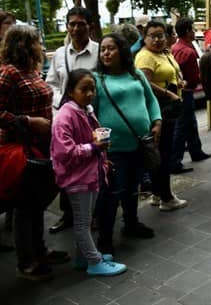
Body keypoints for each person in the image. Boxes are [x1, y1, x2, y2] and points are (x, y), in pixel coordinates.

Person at [0, 25, 68, 280]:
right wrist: (28, 121)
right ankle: (25, 262)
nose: (41, 45)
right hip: (20, 150)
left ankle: (40, 249)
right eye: (37, 41)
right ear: (24, 45)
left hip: (39, 146)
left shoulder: (31, 71)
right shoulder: (9, 73)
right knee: (24, 206)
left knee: (36, 203)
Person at [50, 69, 127, 276]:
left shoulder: (86, 109)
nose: (90, 93)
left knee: (85, 219)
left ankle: (83, 257)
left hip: (90, 174)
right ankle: (94, 262)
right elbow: (64, 152)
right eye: (84, 89)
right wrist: (93, 148)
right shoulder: (65, 116)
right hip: (78, 178)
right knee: (83, 223)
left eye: (92, 89)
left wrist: (101, 155)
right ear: (71, 90)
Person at [94, 33, 161, 255]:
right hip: (113, 150)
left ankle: (131, 224)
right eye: (103, 49)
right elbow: (89, 115)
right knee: (112, 194)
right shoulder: (96, 79)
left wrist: (157, 121)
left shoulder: (136, 74)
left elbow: (151, 101)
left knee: (132, 189)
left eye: (111, 48)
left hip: (139, 144)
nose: (105, 52)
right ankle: (104, 238)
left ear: (122, 51)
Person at [46, 7, 100, 234]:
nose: (76, 28)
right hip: (67, 119)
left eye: (81, 23)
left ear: (89, 25)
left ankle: (92, 214)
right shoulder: (60, 54)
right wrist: (66, 100)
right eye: (72, 24)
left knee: (92, 166)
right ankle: (68, 214)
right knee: (68, 165)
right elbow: (51, 84)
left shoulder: (99, 51)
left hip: (91, 118)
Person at [134, 21, 188, 210]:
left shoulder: (164, 52)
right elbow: (145, 84)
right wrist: (168, 93)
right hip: (158, 111)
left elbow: (171, 72)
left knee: (162, 152)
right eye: (152, 36)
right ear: (145, 37)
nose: (157, 39)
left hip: (169, 109)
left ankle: (157, 193)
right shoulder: (145, 57)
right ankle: (166, 197)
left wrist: (178, 82)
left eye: (161, 35)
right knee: (163, 154)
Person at [170, 17, 211, 173]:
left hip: (179, 91)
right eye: (193, 29)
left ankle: (196, 151)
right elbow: (194, 78)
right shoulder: (188, 51)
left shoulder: (175, 47)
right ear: (187, 32)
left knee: (190, 124)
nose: (195, 32)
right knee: (182, 127)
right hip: (186, 92)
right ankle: (175, 161)